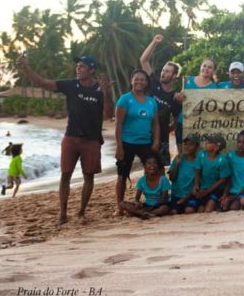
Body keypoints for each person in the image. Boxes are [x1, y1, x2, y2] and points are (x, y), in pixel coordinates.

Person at [17, 54, 112, 225]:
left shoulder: (100, 89)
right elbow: (43, 82)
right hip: (71, 137)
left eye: (82, 66)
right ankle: (62, 214)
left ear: (91, 70)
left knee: (88, 177)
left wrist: (106, 93)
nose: (78, 68)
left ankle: (81, 212)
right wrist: (25, 68)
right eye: (78, 66)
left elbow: (108, 114)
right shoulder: (70, 85)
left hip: (91, 140)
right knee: (65, 175)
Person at [114, 69, 160, 217]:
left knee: (152, 170)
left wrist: (156, 141)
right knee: (122, 175)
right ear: (131, 81)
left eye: (142, 79)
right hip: (127, 142)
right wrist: (119, 146)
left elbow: (156, 124)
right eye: (136, 79)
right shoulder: (125, 99)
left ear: (146, 83)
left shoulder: (151, 101)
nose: (139, 82)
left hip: (146, 142)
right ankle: (119, 206)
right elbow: (118, 124)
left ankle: (151, 201)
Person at [139, 34, 182, 166]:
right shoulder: (153, 83)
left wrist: (166, 129)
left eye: (168, 71)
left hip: (163, 139)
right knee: (147, 168)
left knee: (161, 169)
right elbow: (143, 60)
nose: (163, 73)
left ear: (174, 75)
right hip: (145, 135)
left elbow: (175, 123)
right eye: (163, 70)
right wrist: (154, 42)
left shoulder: (175, 97)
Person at [174, 58, 219, 153]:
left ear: (214, 71)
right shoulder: (187, 80)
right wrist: (177, 97)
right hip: (183, 122)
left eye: (210, 67)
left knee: (197, 153)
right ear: (200, 67)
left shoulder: (214, 88)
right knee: (182, 153)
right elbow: (181, 99)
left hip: (200, 125)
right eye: (204, 66)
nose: (206, 69)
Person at [195, 133, 230, 213]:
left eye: (210, 142)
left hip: (216, 189)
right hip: (203, 188)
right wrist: (196, 185)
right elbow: (197, 170)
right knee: (200, 210)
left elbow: (223, 180)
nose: (206, 143)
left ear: (216, 148)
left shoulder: (222, 160)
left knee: (208, 210)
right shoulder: (201, 154)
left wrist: (207, 191)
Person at [168, 134, 201, 214]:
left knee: (189, 211)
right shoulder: (178, 158)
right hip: (176, 194)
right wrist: (177, 164)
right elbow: (171, 178)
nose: (187, 147)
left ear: (196, 147)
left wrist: (185, 198)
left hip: (190, 195)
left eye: (190, 144)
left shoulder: (199, 161)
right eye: (185, 144)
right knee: (174, 212)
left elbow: (197, 184)